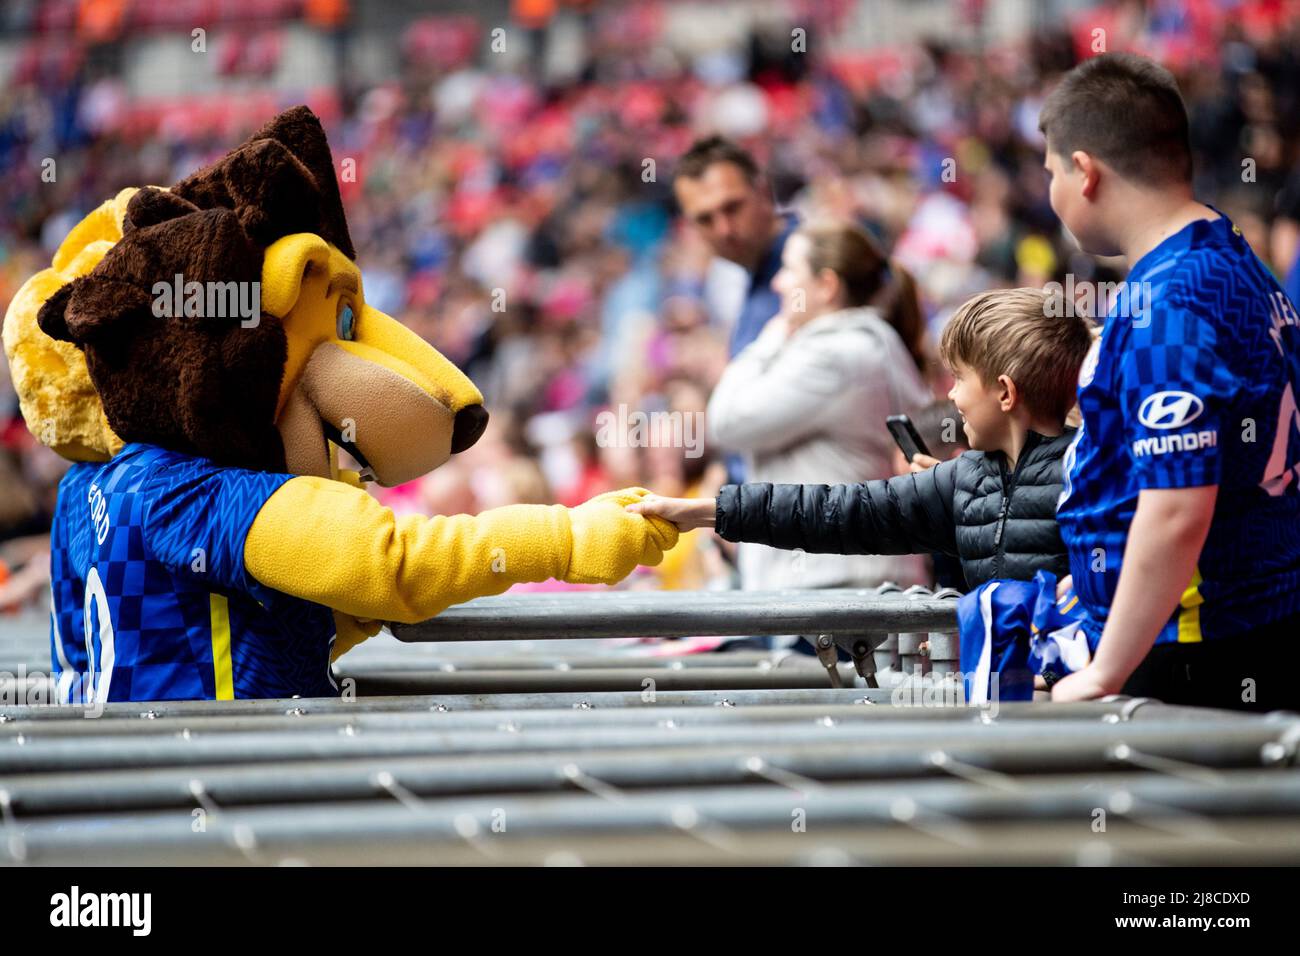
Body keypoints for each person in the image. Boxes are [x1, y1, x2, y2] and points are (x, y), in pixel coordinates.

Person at [1038, 52, 1300, 710]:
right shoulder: (1226, 248)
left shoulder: (1169, 303)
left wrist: (1105, 671)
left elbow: (1179, 506)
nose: (1050, 192)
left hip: (1196, 656)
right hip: (1243, 632)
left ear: (1084, 171)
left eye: (1050, 172)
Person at [630, 287, 1092, 594]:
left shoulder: (1089, 476)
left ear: (1005, 393)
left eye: (960, 379)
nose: (951, 395)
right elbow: (837, 511)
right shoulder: (964, 481)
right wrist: (704, 513)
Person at [673, 136, 795, 358]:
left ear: (764, 192)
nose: (724, 230)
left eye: (732, 208)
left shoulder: (814, 261)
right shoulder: (755, 273)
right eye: (705, 219)